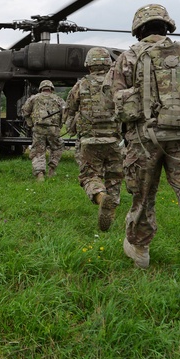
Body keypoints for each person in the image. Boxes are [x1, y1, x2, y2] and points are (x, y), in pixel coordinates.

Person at [106, 4, 180, 310]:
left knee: (143, 197)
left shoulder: (129, 57)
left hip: (144, 139)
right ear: (166, 26)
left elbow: (113, 102)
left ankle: (140, 250)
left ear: (138, 29)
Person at [65, 47, 124, 231]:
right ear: (108, 64)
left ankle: (100, 196)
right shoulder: (117, 84)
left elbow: (69, 111)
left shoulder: (81, 85)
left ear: (89, 64)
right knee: (114, 177)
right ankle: (110, 211)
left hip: (90, 141)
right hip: (115, 141)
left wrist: (72, 126)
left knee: (90, 175)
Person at [21, 79, 66, 181]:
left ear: (41, 88)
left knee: (38, 151)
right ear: (51, 89)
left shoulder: (33, 98)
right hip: (53, 129)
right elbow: (65, 113)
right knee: (57, 147)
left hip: (38, 128)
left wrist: (30, 124)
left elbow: (25, 111)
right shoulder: (58, 99)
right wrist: (60, 125)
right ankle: (52, 169)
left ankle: (39, 174)